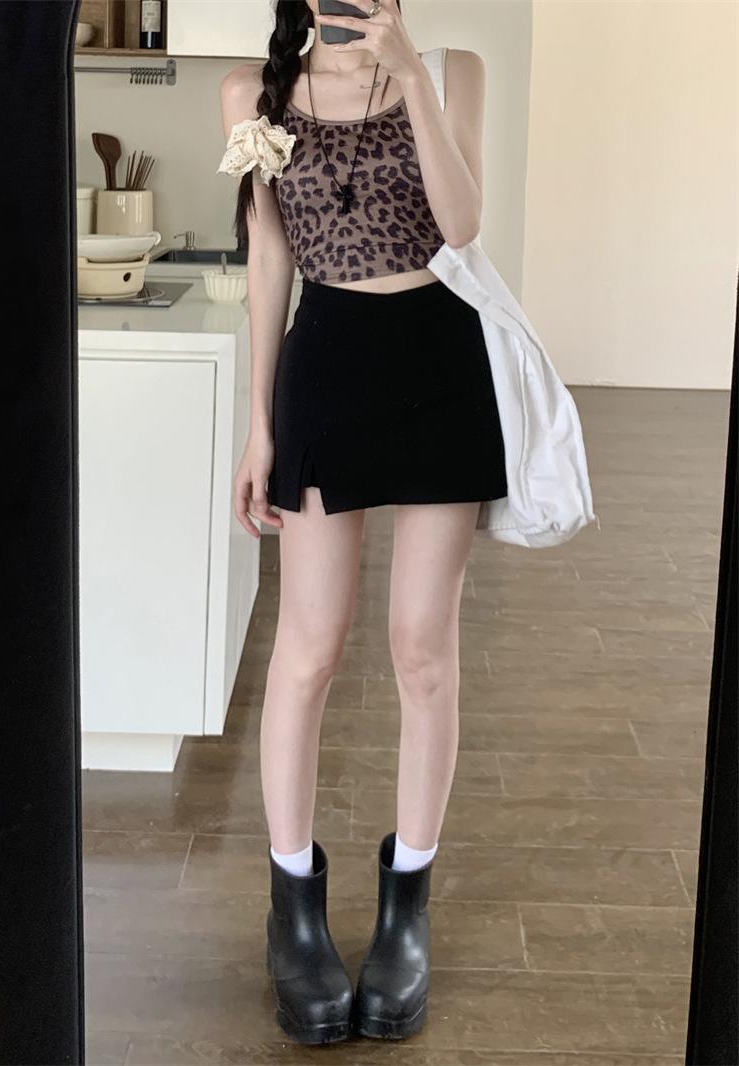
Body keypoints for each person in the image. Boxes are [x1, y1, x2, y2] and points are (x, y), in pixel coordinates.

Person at [218, 0, 507, 1045]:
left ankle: (405, 910)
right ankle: (292, 910)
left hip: (440, 363)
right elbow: (268, 266)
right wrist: (258, 427)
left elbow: (461, 225)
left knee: (422, 650)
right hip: (326, 364)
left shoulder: (454, 69)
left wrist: (410, 73)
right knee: (307, 650)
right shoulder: (251, 94)